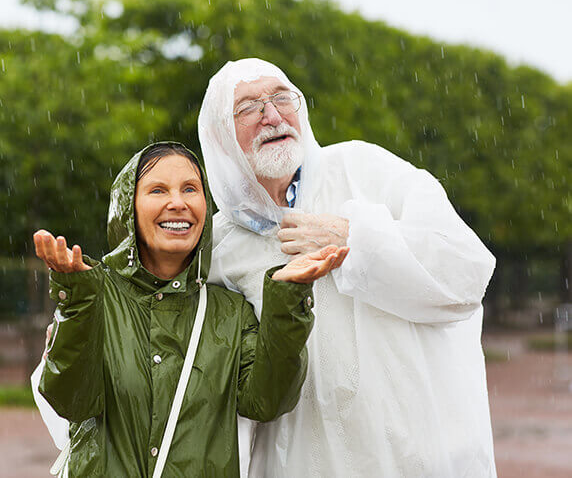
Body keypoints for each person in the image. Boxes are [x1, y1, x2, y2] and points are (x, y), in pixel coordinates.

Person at [197, 58, 497, 477]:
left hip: (417, 458)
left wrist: (352, 239)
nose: (272, 115)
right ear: (219, 135)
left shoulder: (365, 171)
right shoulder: (218, 247)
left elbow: (466, 273)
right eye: (248, 107)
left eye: (283, 98)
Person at [31, 142, 348, 476]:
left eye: (190, 189)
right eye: (157, 190)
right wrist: (77, 302)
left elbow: (267, 401)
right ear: (128, 208)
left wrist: (287, 300)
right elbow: (72, 400)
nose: (178, 203)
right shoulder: (94, 296)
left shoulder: (230, 312)